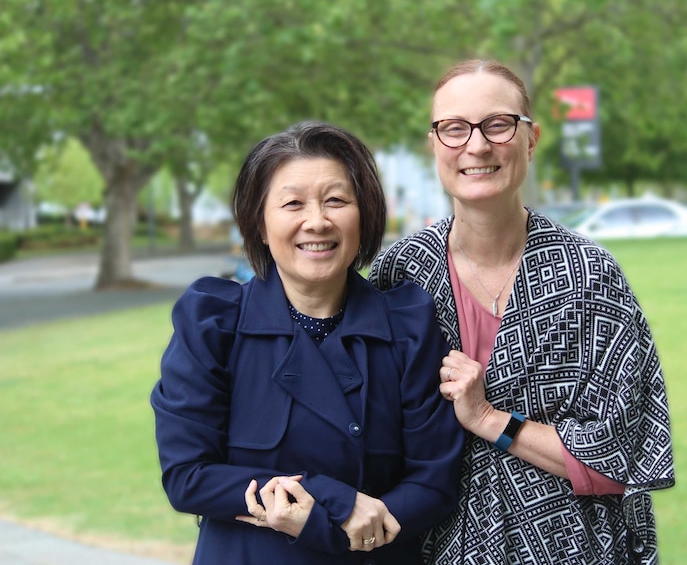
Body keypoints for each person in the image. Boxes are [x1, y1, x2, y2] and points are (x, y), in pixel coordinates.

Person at [369, 59, 675, 564]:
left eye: (498, 124)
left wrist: (489, 418)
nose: (477, 145)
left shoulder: (589, 275)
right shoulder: (399, 275)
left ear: (531, 140)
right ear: (434, 146)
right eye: (454, 128)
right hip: (434, 549)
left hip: (575, 549)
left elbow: (623, 456)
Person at [151, 121, 464, 565]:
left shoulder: (407, 328)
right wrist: (332, 500)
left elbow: (432, 484)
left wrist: (333, 529)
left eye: (336, 200)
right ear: (259, 223)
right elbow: (188, 477)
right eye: (292, 203)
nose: (316, 221)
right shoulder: (213, 324)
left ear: (365, 215)